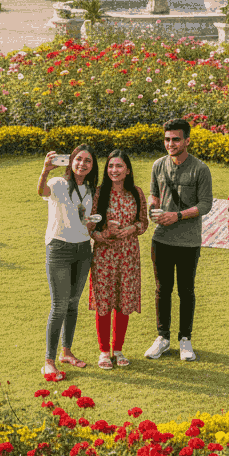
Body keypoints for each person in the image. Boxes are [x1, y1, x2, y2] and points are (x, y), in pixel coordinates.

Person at [146, 118, 212, 362]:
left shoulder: (200, 169)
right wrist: (153, 208)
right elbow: (154, 194)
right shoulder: (158, 166)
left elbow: (205, 204)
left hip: (188, 241)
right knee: (162, 290)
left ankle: (185, 339)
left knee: (186, 291)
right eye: (167, 139)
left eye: (175, 139)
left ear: (187, 140)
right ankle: (162, 338)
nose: (170, 144)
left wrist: (178, 216)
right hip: (161, 239)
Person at [38, 145, 98, 379]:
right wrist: (44, 170)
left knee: (73, 303)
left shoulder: (91, 188)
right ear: (71, 161)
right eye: (79, 159)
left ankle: (67, 352)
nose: (82, 164)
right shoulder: (57, 183)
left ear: (92, 166)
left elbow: (84, 218)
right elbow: (41, 192)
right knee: (59, 305)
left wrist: (91, 223)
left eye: (88, 161)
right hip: (59, 248)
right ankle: (49, 361)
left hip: (83, 249)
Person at [89, 149, 149, 369]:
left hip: (129, 255)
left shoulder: (136, 193)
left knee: (124, 302)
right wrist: (105, 234)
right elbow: (90, 229)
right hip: (104, 256)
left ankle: (119, 349)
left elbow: (144, 222)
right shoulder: (99, 194)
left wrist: (132, 228)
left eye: (119, 166)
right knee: (104, 303)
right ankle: (104, 351)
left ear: (128, 170)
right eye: (111, 166)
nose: (114, 170)